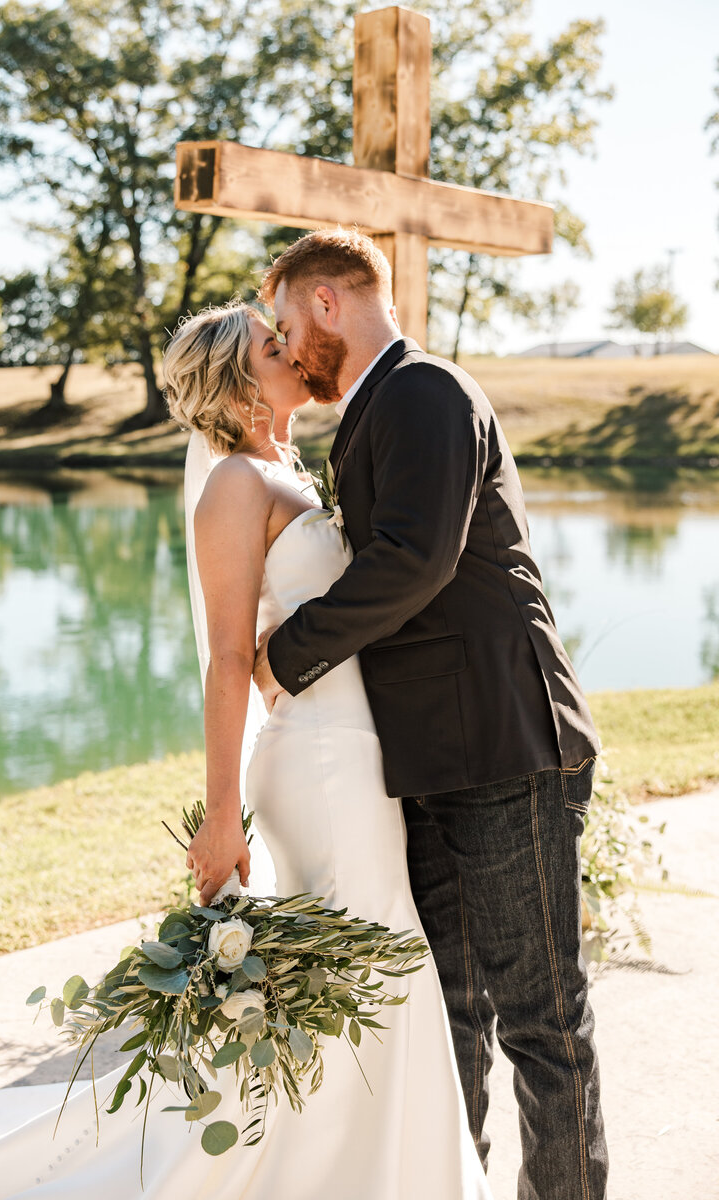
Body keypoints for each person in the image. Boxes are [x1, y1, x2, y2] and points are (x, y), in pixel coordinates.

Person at [0, 300, 492, 1200]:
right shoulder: (235, 484)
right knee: (382, 963)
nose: (294, 350)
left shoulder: (290, 469)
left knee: (371, 970)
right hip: (318, 763)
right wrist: (222, 815)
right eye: (274, 346)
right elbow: (229, 660)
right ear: (237, 381)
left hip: (359, 753)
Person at [251, 228, 609, 1200]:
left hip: (502, 746)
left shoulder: (424, 392)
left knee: (537, 1016)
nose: (286, 346)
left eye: (287, 321)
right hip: (428, 763)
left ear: (326, 302)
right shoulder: (371, 413)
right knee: (448, 1012)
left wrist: (284, 654)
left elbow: (414, 560)